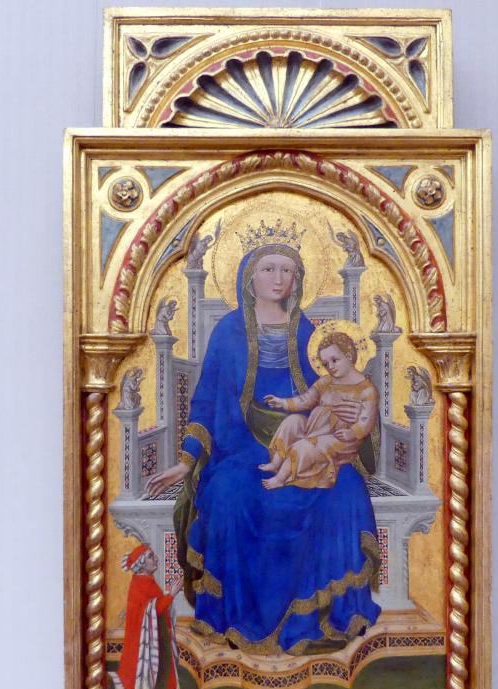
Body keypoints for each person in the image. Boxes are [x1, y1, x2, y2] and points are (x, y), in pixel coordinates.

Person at [145, 221, 381, 656]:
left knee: (345, 489)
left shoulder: (308, 332)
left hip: (309, 437)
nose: (278, 279)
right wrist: (187, 460)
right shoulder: (228, 332)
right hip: (239, 447)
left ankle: (320, 620)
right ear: (249, 278)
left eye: (287, 270)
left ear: (298, 278)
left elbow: (343, 387)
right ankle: (236, 618)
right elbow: (205, 401)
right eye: (268, 269)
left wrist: (350, 413)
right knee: (231, 495)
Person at [260, 331, 378, 490]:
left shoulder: (366, 390)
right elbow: (306, 400)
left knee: (304, 446)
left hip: (339, 439)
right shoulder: (325, 381)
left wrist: (352, 432)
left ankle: (280, 478)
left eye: (334, 360)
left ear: (349, 356)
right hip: (314, 428)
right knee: (293, 421)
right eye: (326, 364)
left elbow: (366, 420)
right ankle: (276, 463)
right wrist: (282, 403)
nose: (330, 367)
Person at [109, 544, 183, 689]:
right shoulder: (141, 583)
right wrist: (171, 594)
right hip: (143, 638)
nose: (156, 559)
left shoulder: (146, 580)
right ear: (141, 564)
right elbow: (154, 608)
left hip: (157, 633)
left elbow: (153, 606)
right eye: (151, 556)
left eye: (153, 555)